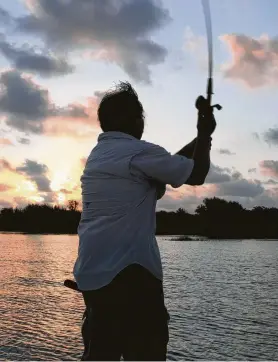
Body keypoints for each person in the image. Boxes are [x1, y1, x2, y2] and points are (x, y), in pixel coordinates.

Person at [73, 82, 216, 361]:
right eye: (140, 115)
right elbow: (196, 173)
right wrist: (205, 134)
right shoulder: (138, 153)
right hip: (131, 277)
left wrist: (199, 138)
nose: (142, 121)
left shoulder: (99, 155)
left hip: (93, 277)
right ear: (134, 119)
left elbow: (168, 164)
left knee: (100, 354)